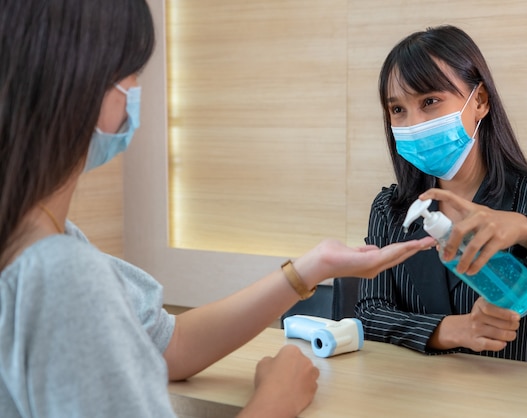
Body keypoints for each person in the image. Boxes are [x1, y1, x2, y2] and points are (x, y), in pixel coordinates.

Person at [0, 1, 433, 417]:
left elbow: (169, 344)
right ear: (80, 84)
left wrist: (312, 267)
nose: (134, 92)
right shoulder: (62, 274)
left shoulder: (44, 239)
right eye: (130, 74)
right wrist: (276, 400)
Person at [355, 25, 527, 363]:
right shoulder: (391, 208)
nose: (414, 124)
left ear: (479, 101)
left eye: (430, 101)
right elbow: (368, 315)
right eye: (398, 110)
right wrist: (451, 329)